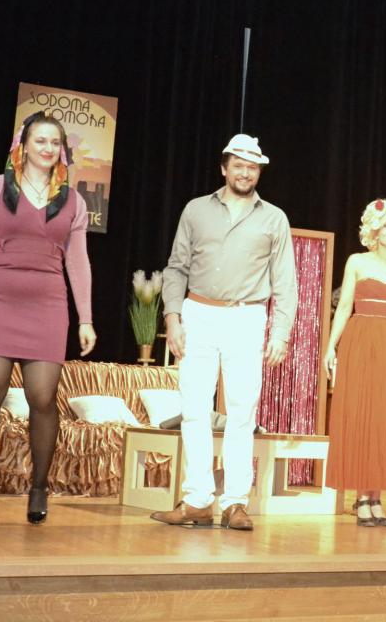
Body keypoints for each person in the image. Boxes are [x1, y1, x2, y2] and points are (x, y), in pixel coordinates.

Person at [0, 111, 96, 530]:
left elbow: (79, 262)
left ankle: (39, 486)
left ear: (62, 150)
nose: (48, 148)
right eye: (40, 140)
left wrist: (85, 318)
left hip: (47, 302)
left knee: (43, 397)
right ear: (24, 146)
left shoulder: (73, 200)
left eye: (55, 142)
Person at [151, 134, 297, 532]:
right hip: (199, 312)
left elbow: (285, 279)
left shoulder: (274, 218)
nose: (245, 173)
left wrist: (281, 332)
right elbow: (177, 267)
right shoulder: (196, 210)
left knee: (242, 411)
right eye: (238, 165)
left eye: (252, 167)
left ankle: (235, 502)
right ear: (224, 168)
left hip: (246, 316)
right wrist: (173, 317)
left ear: (259, 172)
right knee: (194, 408)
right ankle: (198, 499)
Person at [323, 199, 386, 527]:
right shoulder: (357, 261)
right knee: (360, 415)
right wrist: (331, 346)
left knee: (385, 419)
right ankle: (361, 498)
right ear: (374, 230)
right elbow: (344, 307)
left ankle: (376, 497)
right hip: (360, 341)